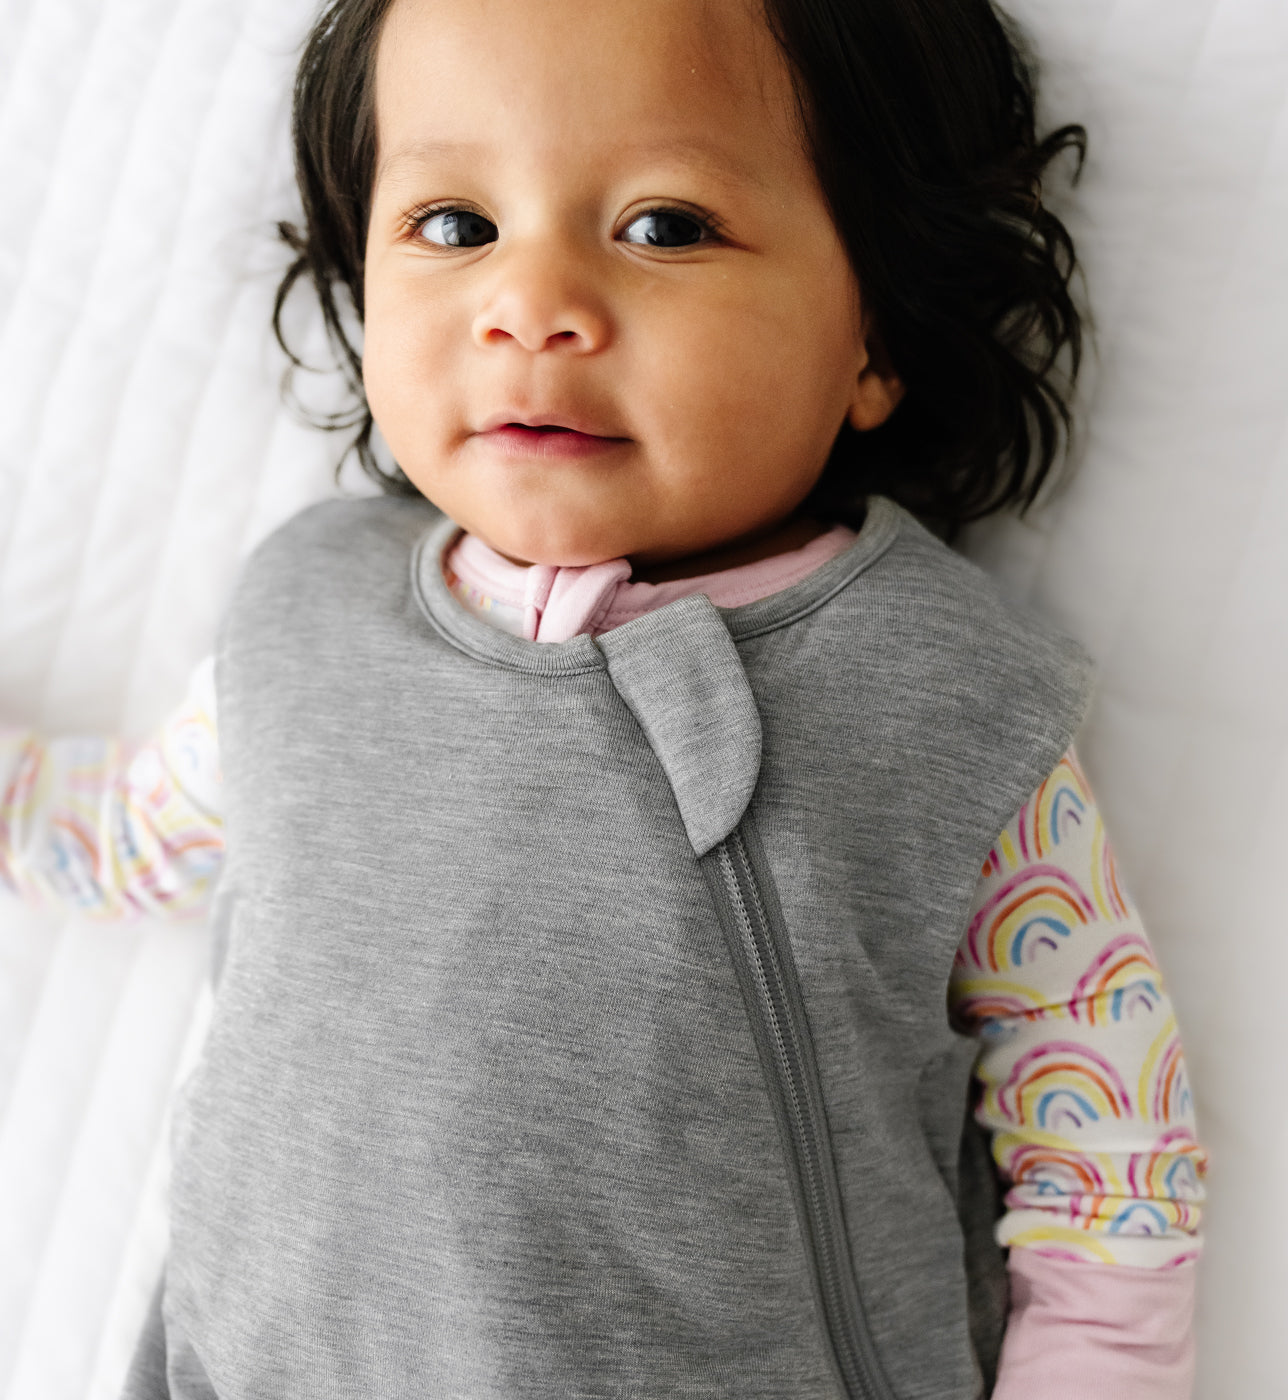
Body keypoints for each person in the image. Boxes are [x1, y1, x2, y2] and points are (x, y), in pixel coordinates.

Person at [0, 0, 1206, 1395]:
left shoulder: (940, 696)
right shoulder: (301, 623)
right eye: (455, 225)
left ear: (875, 335)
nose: (531, 305)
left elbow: (1109, 1142)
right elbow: (130, 832)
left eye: (664, 226)